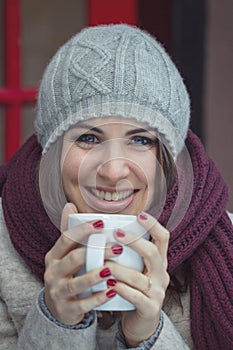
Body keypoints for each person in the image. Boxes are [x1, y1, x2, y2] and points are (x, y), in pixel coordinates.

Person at [0, 24, 232, 350]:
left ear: (168, 158)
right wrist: (56, 323)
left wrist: (148, 334)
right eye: (88, 138)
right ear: (52, 151)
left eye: (140, 140)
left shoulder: (225, 243)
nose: (113, 170)